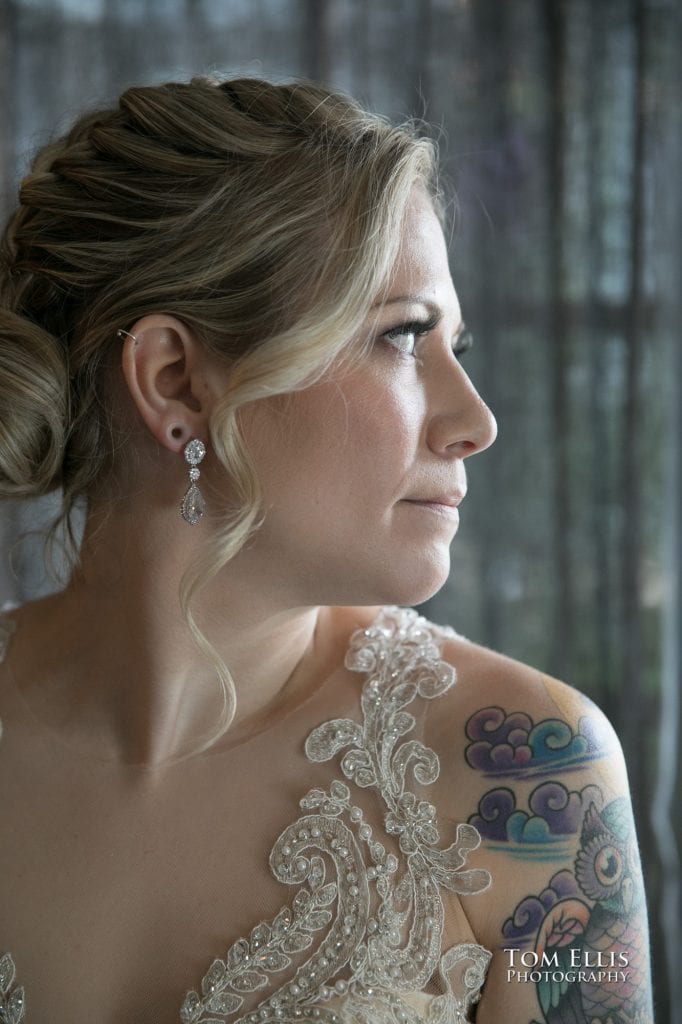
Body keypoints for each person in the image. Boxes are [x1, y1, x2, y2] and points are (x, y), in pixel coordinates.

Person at [0, 76, 653, 1024]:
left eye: (454, 348)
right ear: (176, 380)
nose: (475, 421)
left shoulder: (532, 779)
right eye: (402, 337)